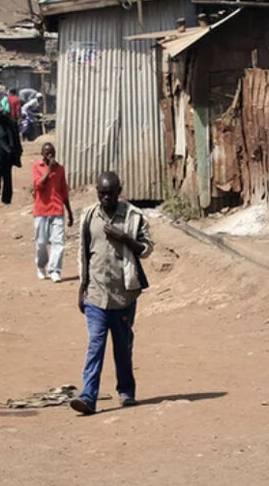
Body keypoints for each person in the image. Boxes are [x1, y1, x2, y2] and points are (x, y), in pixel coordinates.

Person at [70, 172, 153, 415]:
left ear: (119, 190)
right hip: (95, 295)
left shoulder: (133, 217)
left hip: (123, 296)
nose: (105, 197)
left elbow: (146, 249)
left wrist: (125, 238)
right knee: (95, 346)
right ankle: (88, 397)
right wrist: (81, 288)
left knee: (122, 346)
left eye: (110, 193)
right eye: (101, 193)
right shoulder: (89, 217)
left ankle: (126, 392)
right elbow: (84, 254)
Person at [33, 143, 73, 281]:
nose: (50, 155)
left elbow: (64, 192)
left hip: (57, 210)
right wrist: (49, 170)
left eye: (52, 153)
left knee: (58, 242)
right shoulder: (37, 167)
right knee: (41, 242)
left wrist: (70, 212)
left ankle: (55, 269)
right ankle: (41, 265)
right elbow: (38, 185)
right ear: (42, 154)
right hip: (41, 211)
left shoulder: (60, 169)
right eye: (47, 153)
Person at [0, 101, 23, 208]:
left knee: (7, 178)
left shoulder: (10, 123)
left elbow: (15, 139)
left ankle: (6, 199)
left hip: (7, 155)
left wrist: (17, 152)